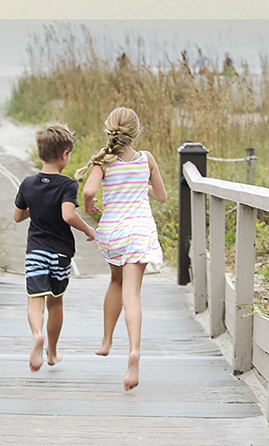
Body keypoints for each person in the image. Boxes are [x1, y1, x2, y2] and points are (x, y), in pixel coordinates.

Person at [77, 107, 167, 390]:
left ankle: (106, 341)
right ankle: (134, 351)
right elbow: (161, 196)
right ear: (136, 132)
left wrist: (90, 206)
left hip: (114, 233)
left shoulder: (102, 161)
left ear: (109, 131)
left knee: (115, 281)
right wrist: (143, 186)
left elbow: (89, 192)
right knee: (133, 294)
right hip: (139, 232)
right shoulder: (147, 159)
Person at [13, 123, 96, 372]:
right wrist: (89, 229)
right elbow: (68, 215)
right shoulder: (68, 185)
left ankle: (37, 334)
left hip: (36, 251)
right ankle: (51, 352)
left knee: (34, 301)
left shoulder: (28, 184)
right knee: (55, 302)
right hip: (60, 253)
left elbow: (18, 216)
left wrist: (36, 208)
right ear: (64, 154)